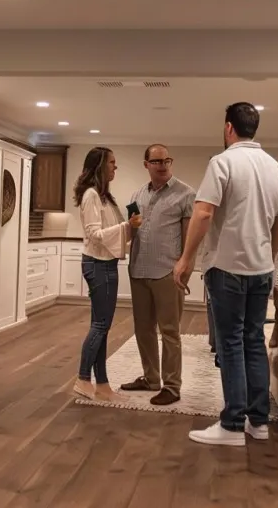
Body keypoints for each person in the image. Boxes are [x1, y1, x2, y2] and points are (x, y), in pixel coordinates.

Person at [174, 103, 278, 446]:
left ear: (228, 128)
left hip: (227, 268)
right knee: (254, 341)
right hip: (262, 270)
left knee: (230, 343)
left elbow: (204, 213)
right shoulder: (275, 167)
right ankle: (258, 422)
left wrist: (185, 259)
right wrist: (267, 256)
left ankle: (232, 425)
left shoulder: (222, 162)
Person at [121, 144, 194, 406]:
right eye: (157, 161)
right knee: (143, 329)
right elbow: (132, 231)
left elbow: (191, 238)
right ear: (146, 165)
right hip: (138, 270)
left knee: (170, 332)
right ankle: (151, 378)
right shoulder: (136, 195)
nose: (163, 165)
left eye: (167, 160)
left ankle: (172, 386)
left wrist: (185, 267)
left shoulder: (186, 194)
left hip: (167, 272)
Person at [74, 147, 142, 402]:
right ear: (100, 165)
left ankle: (101, 383)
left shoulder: (105, 197)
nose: (116, 167)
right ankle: (83, 379)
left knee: (101, 326)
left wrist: (130, 228)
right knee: (100, 325)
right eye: (112, 163)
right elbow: (95, 234)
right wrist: (127, 226)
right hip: (97, 265)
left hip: (106, 264)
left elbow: (110, 234)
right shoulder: (91, 195)